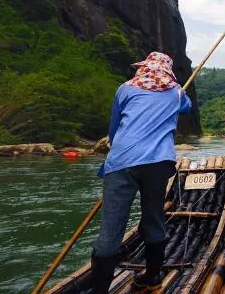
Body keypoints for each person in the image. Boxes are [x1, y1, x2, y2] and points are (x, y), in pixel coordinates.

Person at [89, 52, 192, 294]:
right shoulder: (177, 92)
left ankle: (99, 290)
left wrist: (119, 151)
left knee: (110, 232)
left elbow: (114, 130)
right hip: (157, 163)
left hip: (121, 161)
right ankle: (153, 277)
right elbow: (187, 107)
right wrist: (176, 93)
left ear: (144, 67)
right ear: (167, 71)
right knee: (153, 219)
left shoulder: (125, 89)